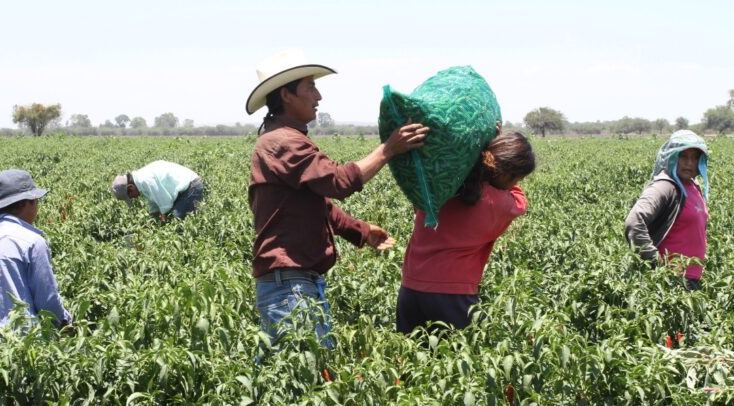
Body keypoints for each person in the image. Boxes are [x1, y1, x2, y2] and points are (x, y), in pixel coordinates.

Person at [246, 49, 429, 348]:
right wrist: (388, 149)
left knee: (290, 375)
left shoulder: (285, 139)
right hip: (289, 286)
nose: (318, 96)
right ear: (287, 95)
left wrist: (362, 232)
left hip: (293, 282)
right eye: (310, 87)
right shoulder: (284, 143)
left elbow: (321, 207)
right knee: (303, 375)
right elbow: (338, 182)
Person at [396, 131, 536, 334]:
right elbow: (520, 201)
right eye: (517, 178)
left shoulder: (438, 186)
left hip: (410, 290)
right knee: (461, 359)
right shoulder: (499, 203)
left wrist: (479, 149)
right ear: (506, 174)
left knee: (412, 359)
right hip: (453, 296)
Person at [0, 169, 72, 345]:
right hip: (27, 348)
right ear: (28, 203)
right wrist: (65, 324)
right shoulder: (32, 242)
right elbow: (48, 301)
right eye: (35, 201)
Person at [625, 130, 710, 291]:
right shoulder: (665, 186)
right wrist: (654, 261)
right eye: (683, 156)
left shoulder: (692, 186)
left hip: (692, 277)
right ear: (671, 157)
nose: (689, 163)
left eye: (694, 157)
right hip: (670, 281)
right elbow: (634, 222)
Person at [111, 160, 204, 220]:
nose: (134, 198)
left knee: (176, 220)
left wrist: (160, 226)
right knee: (175, 220)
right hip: (186, 189)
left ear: (130, 187)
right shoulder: (140, 180)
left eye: (131, 196)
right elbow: (154, 204)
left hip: (192, 186)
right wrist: (152, 220)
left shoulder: (145, 180)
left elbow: (166, 205)